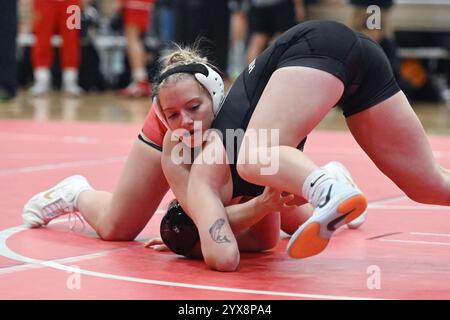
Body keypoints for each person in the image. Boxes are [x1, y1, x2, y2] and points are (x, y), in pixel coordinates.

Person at [147, 20, 450, 271]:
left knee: (252, 161)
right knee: (428, 185)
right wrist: (201, 234)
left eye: (194, 107)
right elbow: (264, 240)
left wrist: (196, 246)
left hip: (318, 46)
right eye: (172, 115)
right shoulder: (238, 169)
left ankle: (329, 189)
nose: (186, 122)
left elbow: (224, 258)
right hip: (357, 61)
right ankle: (333, 183)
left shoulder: (208, 167)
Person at [30, 0, 83, 97]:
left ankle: (70, 81)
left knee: (72, 39)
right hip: (44, 2)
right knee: (42, 38)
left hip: (71, 2)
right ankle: (42, 80)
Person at [117, 0, 155, 97]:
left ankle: (140, 81)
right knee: (137, 39)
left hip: (133, 3)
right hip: (144, 3)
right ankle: (141, 80)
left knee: (132, 39)